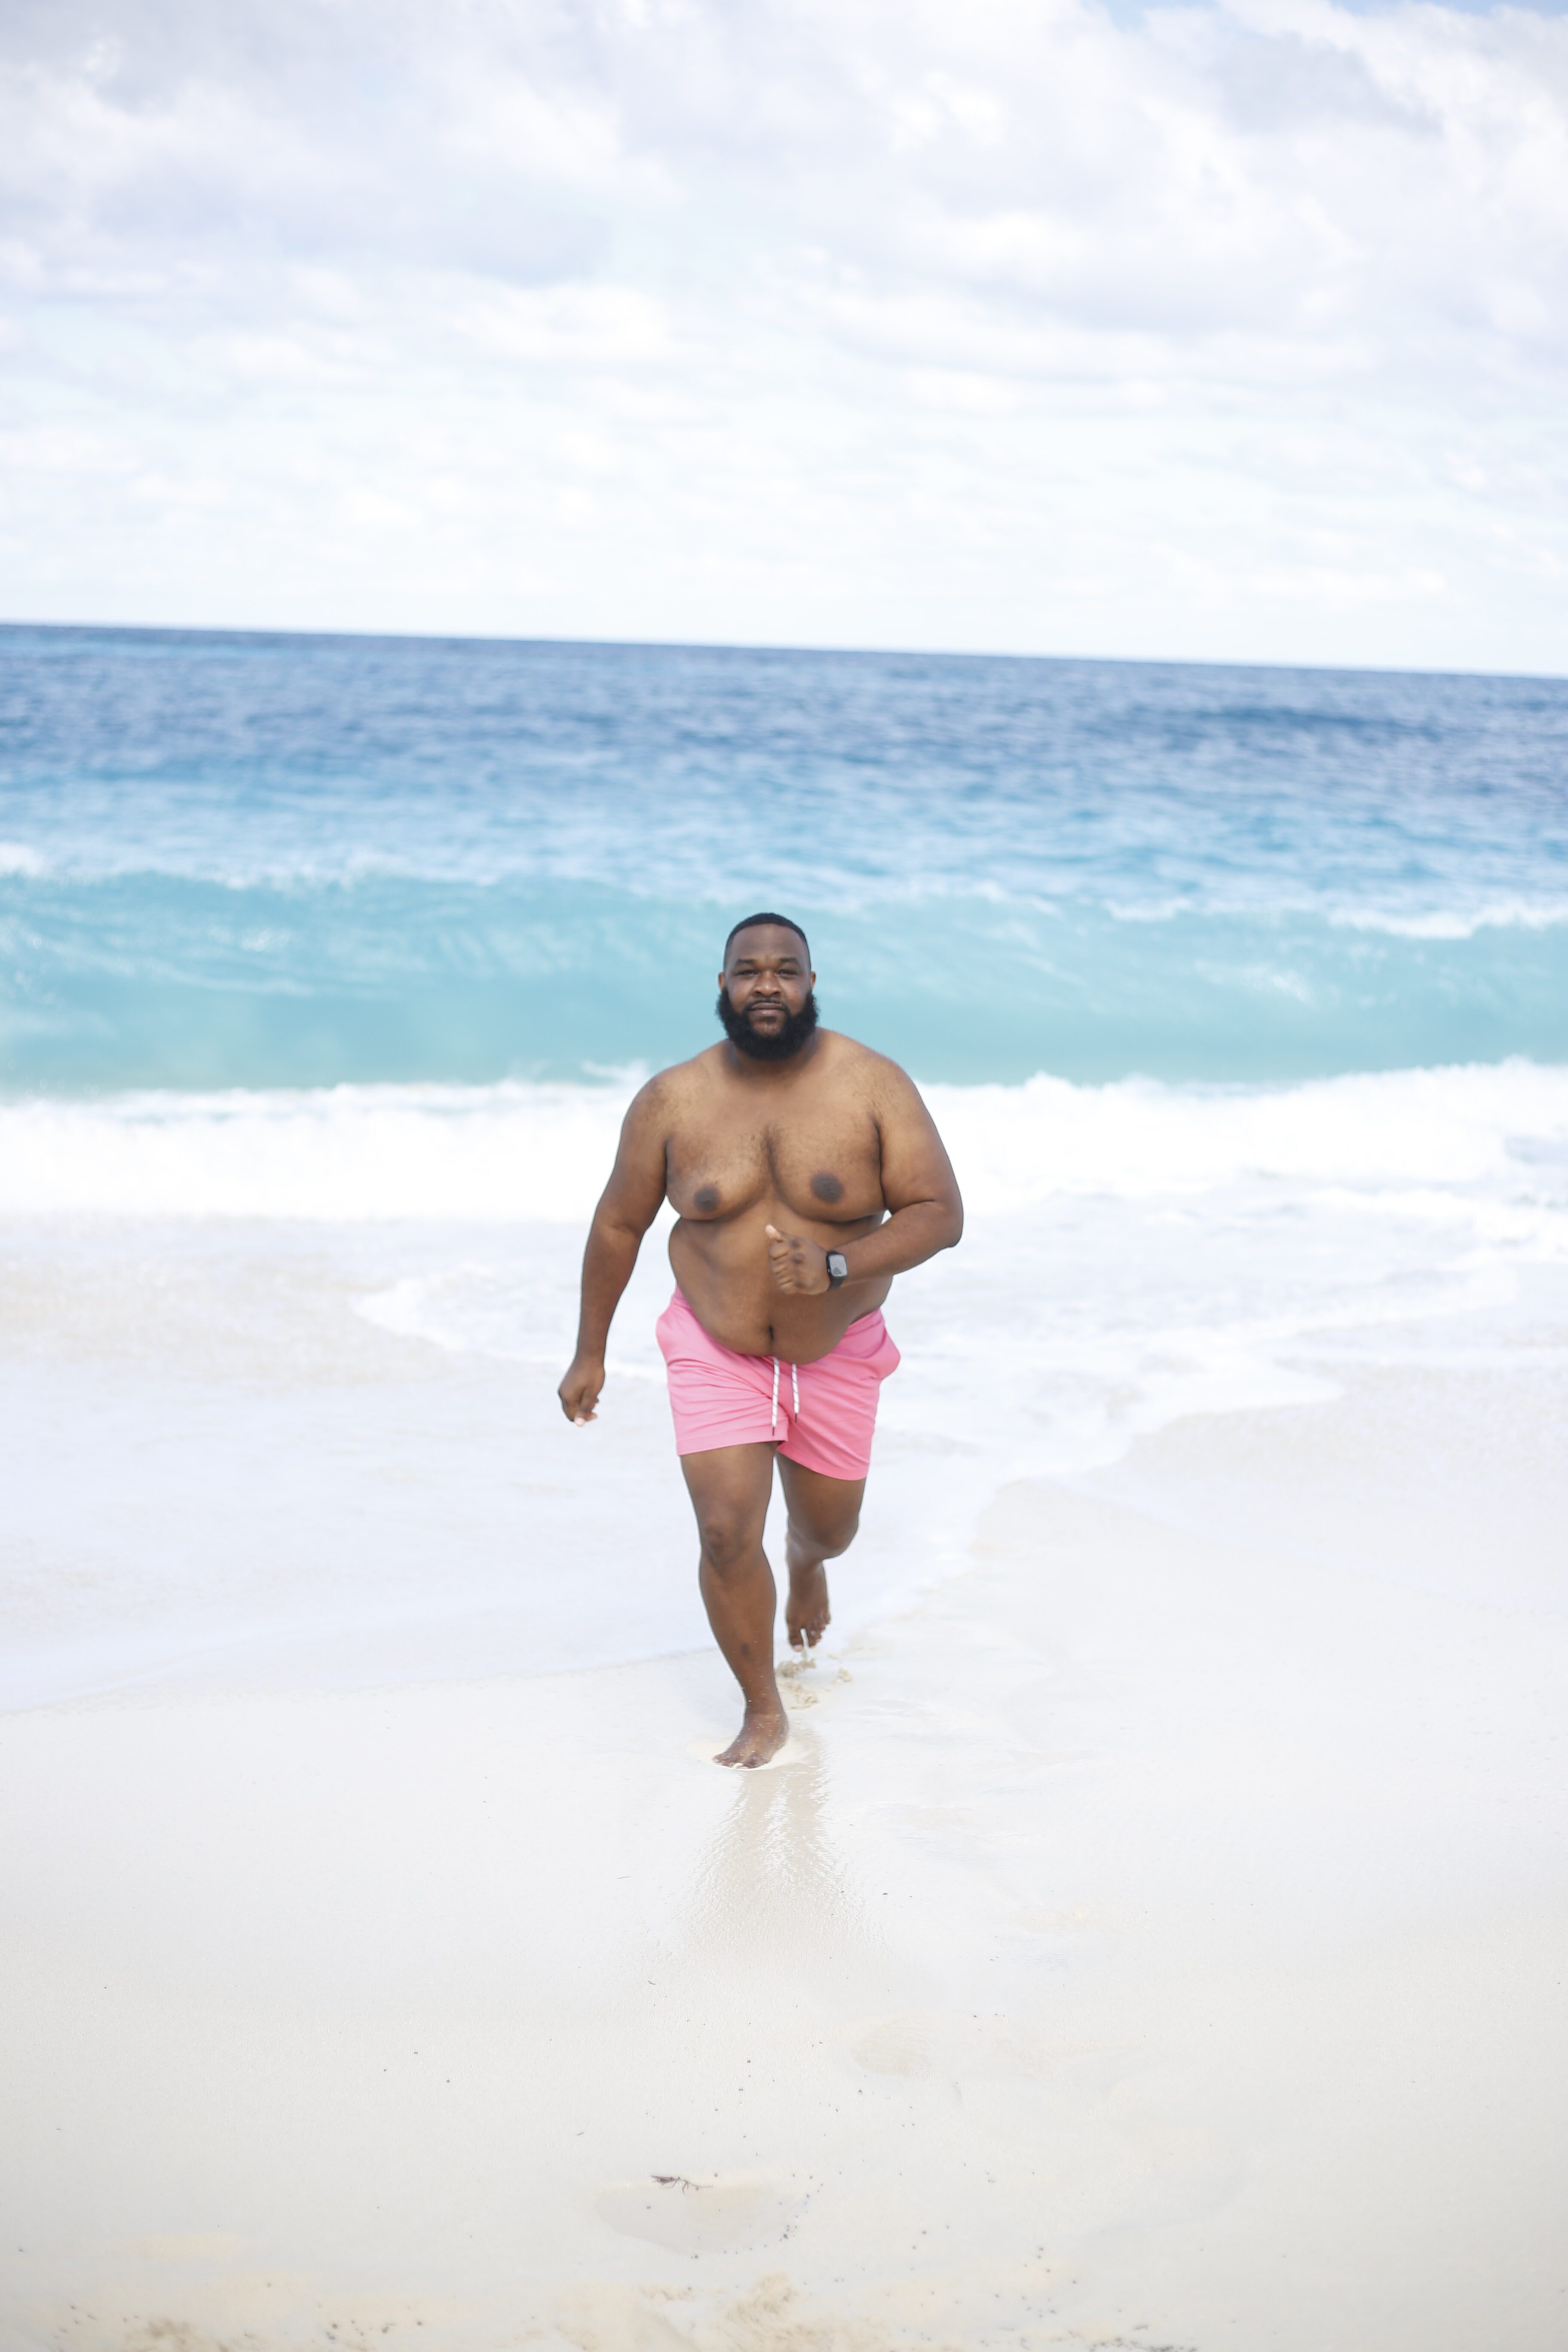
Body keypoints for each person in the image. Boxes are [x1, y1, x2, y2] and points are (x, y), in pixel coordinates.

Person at [557, 913, 964, 1767]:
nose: (767, 985)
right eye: (749, 971)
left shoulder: (873, 1085)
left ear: (812, 985)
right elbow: (619, 1224)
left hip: (835, 1351)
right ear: (723, 986)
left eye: (786, 970)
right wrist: (590, 1350)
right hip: (716, 1346)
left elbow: (939, 1213)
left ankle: (807, 1564)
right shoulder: (672, 1100)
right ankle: (762, 1709)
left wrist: (840, 1265)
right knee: (723, 1531)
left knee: (830, 1529)